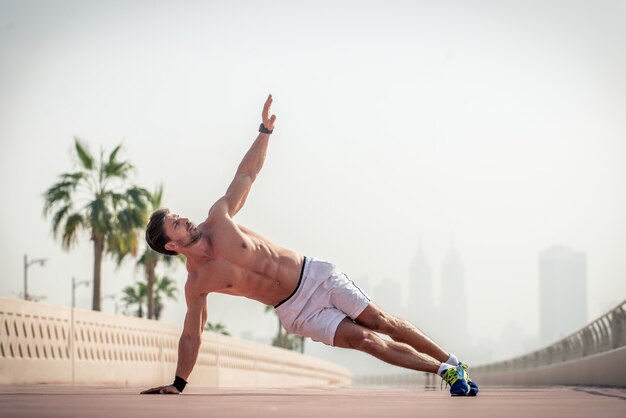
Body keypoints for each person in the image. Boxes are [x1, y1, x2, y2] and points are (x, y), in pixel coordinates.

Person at [140, 95, 479, 396]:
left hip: (314, 276)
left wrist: (265, 131)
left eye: (179, 216)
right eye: (176, 223)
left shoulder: (219, 218)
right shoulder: (197, 283)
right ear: (172, 245)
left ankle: (452, 360)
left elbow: (246, 175)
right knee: (365, 341)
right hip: (296, 312)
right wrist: (178, 383)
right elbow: (192, 335)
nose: (184, 219)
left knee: (380, 322)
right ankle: (445, 372)